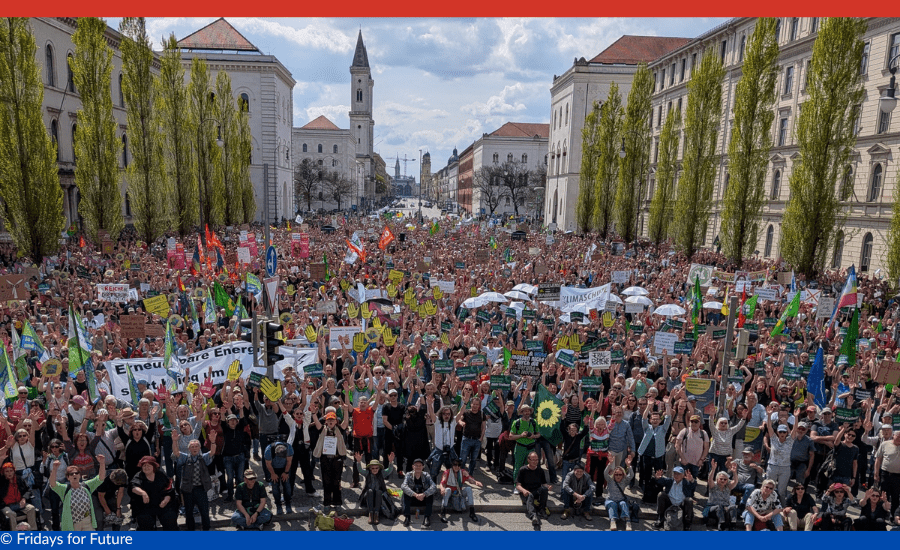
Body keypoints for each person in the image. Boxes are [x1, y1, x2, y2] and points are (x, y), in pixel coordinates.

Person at [49, 453, 107, 531]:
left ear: (80, 475)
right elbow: (53, 484)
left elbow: (100, 478)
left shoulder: (86, 486)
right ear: (68, 477)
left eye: (76, 473)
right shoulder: (64, 489)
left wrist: (102, 463)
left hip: (87, 522)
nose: (74, 475)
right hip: (72, 524)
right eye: (71, 474)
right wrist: (55, 469)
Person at [171, 435, 216, 531]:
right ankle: (191, 530)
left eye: (196, 446)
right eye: (192, 446)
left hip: (201, 489)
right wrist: (175, 441)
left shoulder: (203, 457)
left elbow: (212, 452)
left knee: (204, 512)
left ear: (200, 448)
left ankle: (206, 530)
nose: (194, 448)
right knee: (189, 512)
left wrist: (212, 442)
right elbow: (176, 452)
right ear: (189, 449)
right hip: (188, 489)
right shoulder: (185, 457)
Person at [129, 456, 179, 531]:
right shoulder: (139, 475)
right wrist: (143, 493)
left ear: (154, 467)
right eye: (144, 466)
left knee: (170, 518)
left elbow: (169, 490)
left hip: (162, 504)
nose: (146, 468)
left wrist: (166, 500)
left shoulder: (161, 475)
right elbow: (133, 487)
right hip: (145, 506)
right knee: (145, 521)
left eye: (148, 465)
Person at [312, 409, 349, 508]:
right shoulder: (322, 429)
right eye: (329, 420)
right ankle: (327, 503)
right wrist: (313, 413)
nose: (331, 421)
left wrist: (345, 409)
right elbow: (316, 421)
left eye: (333, 419)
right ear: (326, 421)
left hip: (337, 459)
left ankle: (337, 503)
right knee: (326, 481)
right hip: (325, 459)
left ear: (336, 421)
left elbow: (346, 421)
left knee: (336, 481)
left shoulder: (340, 429)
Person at [651, 465, 696, 531]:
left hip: (681, 504)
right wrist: (657, 478)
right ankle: (660, 519)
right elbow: (662, 481)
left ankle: (687, 524)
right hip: (670, 503)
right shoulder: (670, 481)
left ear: (683, 475)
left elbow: (693, 486)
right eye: (675, 473)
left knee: (689, 500)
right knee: (661, 495)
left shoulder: (686, 482)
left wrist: (692, 480)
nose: (676, 476)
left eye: (678, 474)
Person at [437, 458, 482, 523]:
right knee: (447, 490)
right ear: (452, 465)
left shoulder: (463, 472)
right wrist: (442, 488)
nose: (457, 467)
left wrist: (475, 482)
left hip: (458, 493)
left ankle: (472, 512)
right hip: (450, 493)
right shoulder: (447, 472)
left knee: (469, 489)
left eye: (459, 465)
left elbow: (469, 479)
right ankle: (443, 513)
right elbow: (442, 483)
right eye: (455, 465)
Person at [356, 453, 395, 525]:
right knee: (370, 491)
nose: (375, 470)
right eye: (373, 468)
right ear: (370, 469)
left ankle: (376, 514)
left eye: (376, 468)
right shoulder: (367, 473)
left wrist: (390, 462)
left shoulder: (382, 473)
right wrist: (358, 462)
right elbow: (360, 470)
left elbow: (389, 470)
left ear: (379, 468)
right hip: (368, 496)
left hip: (379, 495)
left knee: (379, 491)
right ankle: (371, 514)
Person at [516, 451, 551, 528]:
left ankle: (542, 509)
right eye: (533, 460)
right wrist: (523, 490)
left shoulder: (540, 470)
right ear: (528, 460)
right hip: (526, 492)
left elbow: (544, 483)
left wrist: (547, 487)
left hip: (536, 491)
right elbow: (518, 485)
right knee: (529, 495)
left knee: (544, 489)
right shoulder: (523, 469)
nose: (535, 462)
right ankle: (533, 516)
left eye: (537, 460)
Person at [400, 457, 437, 527]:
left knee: (430, 495)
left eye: (420, 465)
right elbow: (403, 486)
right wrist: (415, 495)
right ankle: (407, 517)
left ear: (423, 467)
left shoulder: (426, 475)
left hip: (423, 499)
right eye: (416, 465)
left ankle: (427, 517)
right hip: (413, 498)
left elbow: (434, 486)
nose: (418, 467)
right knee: (405, 494)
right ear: (413, 466)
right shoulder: (408, 474)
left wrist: (424, 494)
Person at [509, 404, 539, 487]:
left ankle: (527, 485)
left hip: (531, 447)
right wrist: (520, 435)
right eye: (525, 411)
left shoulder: (534, 422)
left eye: (528, 410)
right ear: (522, 412)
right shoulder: (517, 422)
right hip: (520, 447)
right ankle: (517, 486)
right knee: (517, 467)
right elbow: (511, 436)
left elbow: (538, 434)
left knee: (531, 467)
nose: (527, 412)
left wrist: (533, 436)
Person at [873, 427, 900, 519]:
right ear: (894, 436)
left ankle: (894, 516)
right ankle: (882, 514)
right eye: (898, 436)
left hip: (898, 476)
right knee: (884, 495)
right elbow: (878, 459)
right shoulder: (885, 444)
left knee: (896, 497)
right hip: (885, 474)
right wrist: (876, 473)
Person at [0, 462, 36, 530]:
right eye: (7, 471)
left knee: (31, 508)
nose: (9, 473)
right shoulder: (1, 482)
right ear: (3, 472)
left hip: (19, 503)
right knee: (11, 514)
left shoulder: (19, 479)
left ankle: (33, 531)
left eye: (11, 471)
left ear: (14, 471)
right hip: (6, 505)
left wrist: (24, 498)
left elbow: (28, 490)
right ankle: (15, 535)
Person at [703, 461, 738, 530]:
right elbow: (710, 480)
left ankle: (733, 524)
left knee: (733, 506)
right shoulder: (713, 486)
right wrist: (713, 470)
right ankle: (722, 524)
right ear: (717, 479)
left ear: (727, 481)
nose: (723, 480)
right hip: (712, 509)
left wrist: (734, 472)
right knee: (719, 507)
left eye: (725, 479)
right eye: (721, 479)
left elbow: (735, 481)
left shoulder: (728, 487)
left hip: (724, 509)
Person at [456, 397, 485, 476]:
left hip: (477, 440)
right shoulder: (466, 412)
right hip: (466, 439)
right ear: (471, 404)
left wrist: (481, 438)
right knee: (463, 459)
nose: (475, 406)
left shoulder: (482, 414)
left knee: (473, 459)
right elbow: (458, 419)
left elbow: (483, 427)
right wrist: (461, 423)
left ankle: (470, 475)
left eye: (477, 404)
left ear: (479, 405)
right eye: (473, 404)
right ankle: (460, 475)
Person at [602, 459, 634, 529]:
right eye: (616, 474)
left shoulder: (624, 481)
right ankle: (613, 521)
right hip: (611, 499)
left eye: (620, 474)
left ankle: (628, 522)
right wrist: (610, 464)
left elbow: (631, 475)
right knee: (612, 504)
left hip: (621, 500)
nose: (618, 476)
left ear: (623, 475)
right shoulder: (610, 480)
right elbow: (605, 473)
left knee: (623, 504)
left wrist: (629, 466)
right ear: (614, 474)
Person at [264, 441, 294, 516]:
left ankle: (288, 504)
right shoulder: (268, 450)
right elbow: (268, 463)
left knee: (287, 486)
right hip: (274, 468)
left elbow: (289, 461)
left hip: (285, 468)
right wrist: (273, 474)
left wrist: (286, 472)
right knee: (275, 488)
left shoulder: (289, 448)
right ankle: (278, 505)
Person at [675, 414, 709, 479]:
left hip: (696, 463)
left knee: (693, 481)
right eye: (692, 421)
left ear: (699, 423)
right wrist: (682, 458)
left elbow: (706, 448)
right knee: (682, 480)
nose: (694, 423)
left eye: (696, 422)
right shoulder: (684, 431)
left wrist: (701, 459)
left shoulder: (703, 433)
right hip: (684, 462)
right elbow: (677, 445)